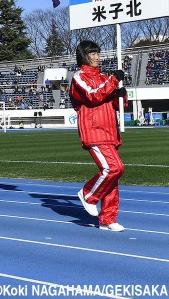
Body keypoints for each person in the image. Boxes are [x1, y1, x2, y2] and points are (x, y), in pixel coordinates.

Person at [69, 40, 128, 232]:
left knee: (112, 178)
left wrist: (121, 94)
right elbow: (92, 95)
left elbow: (116, 105)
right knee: (113, 168)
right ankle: (88, 194)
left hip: (110, 130)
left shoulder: (104, 77)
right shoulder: (79, 77)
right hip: (94, 131)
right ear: (83, 56)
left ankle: (108, 218)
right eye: (92, 53)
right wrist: (112, 82)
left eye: (97, 53)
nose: (96, 57)